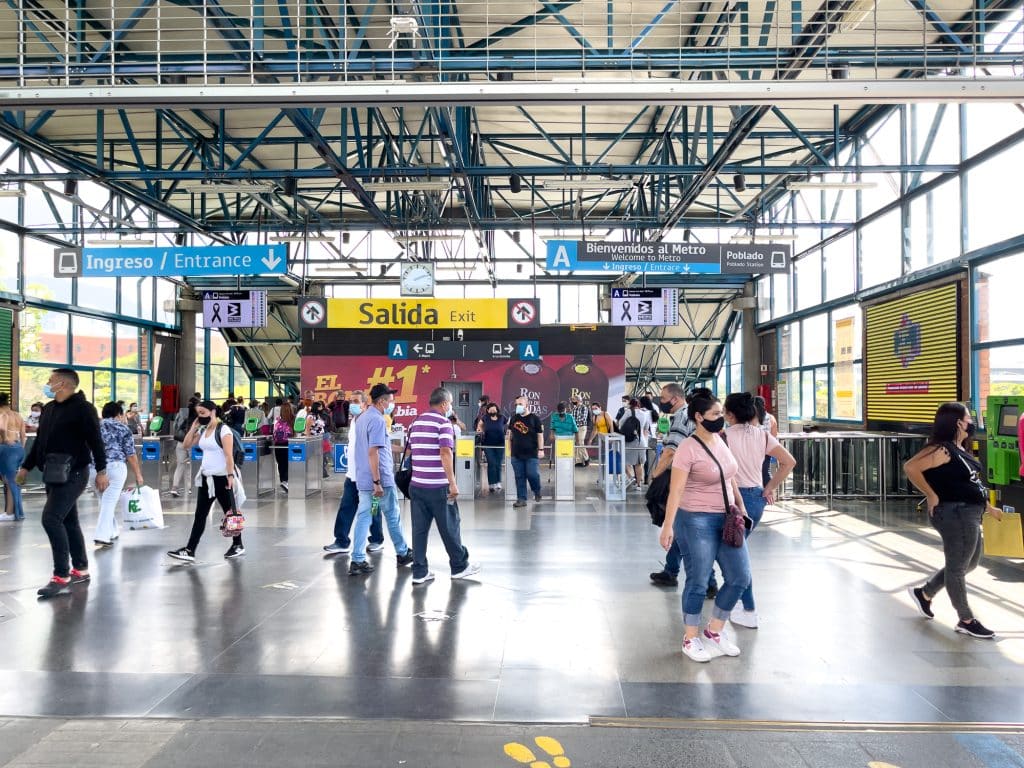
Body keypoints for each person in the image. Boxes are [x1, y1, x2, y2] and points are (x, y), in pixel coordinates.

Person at [659, 392, 751, 663]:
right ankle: (690, 637)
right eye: (714, 415)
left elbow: (729, 477)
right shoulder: (688, 447)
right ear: (698, 417)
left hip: (726, 518)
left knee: (739, 577)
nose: (720, 418)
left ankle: (714, 631)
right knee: (698, 580)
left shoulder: (721, 440)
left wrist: (741, 506)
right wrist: (667, 527)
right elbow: (675, 491)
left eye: (721, 413)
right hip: (694, 519)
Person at [904, 402, 1003, 639]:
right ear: (958, 422)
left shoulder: (959, 449)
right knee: (958, 568)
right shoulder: (941, 450)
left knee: (969, 564)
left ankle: (924, 594)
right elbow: (911, 467)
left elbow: (968, 483)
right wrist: (931, 494)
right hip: (954, 514)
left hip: (970, 512)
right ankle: (966, 619)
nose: (972, 422)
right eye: (969, 418)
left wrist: (987, 506)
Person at [17, 369, 109, 598]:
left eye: (50, 381)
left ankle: (61, 574)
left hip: (75, 473)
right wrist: (26, 466)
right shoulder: (48, 409)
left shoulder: (83, 409)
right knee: (69, 520)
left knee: (51, 518)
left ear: (63, 384)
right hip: (52, 472)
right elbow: (40, 442)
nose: (47, 384)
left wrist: (101, 471)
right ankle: (81, 567)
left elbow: (95, 441)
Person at [722, 392, 796, 628]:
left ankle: (747, 607)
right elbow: (789, 462)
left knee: (736, 556)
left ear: (730, 414)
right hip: (755, 499)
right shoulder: (763, 436)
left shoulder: (722, 437)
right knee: (736, 551)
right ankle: (739, 602)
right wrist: (770, 486)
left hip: (732, 499)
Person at [649, 385, 718, 598]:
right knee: (683, 530)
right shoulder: (699, 421)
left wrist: (655, 475)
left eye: (664, 398)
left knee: (687, 531)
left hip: (685, 481)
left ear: (677, 398)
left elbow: (670, 451)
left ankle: (709, 581)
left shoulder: (682, 418)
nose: (661, 401)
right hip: (699, 479)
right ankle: (671, 570)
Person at [407, 387, 481, 585]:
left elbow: (411, 450)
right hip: (438, 486)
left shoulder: (416, 421)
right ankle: (459, 566)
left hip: (417, 484)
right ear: (444, 404)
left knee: (419, 530)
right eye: (450, 403)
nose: (451, 407)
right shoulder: (443, 423)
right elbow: (445, 453)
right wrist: (453, 483)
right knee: (450, 527)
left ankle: (419, 571)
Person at [348, 384, 414, 576]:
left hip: (364, 478)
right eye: (390, 400)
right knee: (392, 515)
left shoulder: (362, 418)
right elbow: (373, 452)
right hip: (380, 481)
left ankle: (358, 559)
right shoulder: (377, 420)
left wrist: (403, 450)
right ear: (382, 401)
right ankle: (402, 552)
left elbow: (380, 445)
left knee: (364, 516)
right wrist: (377, 482)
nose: (392, 403)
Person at [167, 401, 244, 562]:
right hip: (206, 478)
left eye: (203, 413)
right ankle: (190, 550)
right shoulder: (203, 429)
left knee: (230, 513)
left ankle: (238, 544)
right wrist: (194, 426)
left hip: (222, 478)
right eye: (198, 413)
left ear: (213, 412)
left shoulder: (224, 430)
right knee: (200, 515)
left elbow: (229, 456)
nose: (200, 416)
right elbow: (187, 444)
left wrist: (230, 477)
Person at [323, 390, 384, 555]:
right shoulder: (354, 422)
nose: (352, 404)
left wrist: (376, 478)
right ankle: (341, 541)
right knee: (346, 508)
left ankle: (377, 539)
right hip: (352, 475)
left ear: (365, 404)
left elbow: (374, 450)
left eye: (356, 401)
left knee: (373, 509)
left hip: (367, 476)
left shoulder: (370, 421)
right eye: (351, 401)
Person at [93, 402, 145, 547]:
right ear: (119, 415)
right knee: (108, 502)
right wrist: (138, 474)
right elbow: (130, 454)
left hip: (94, 469)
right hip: (115, 467)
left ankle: (113, 531)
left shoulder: (94, 426)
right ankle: (102, 536)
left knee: (104, 501)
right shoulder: (123, 428)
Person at [508, 395, 544, 508]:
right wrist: (510, 450)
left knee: (532, 474)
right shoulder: (513, 418)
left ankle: (536, 490)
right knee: (519, 477)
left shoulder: (535, 419)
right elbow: (510, 435)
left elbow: (540, 435)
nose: (517, 406)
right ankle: (521, 499)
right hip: (516, 453)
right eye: (516, 404)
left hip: (531, 453)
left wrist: (541, 449)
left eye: (520, 404)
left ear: (527, 405)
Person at [0, 394, 27, 522]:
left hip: (6, 448)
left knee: (9, 481)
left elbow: (1, 427)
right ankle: (15, 512)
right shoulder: (17, 415)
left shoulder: (2, 413)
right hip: (18, 448)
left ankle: (10, 512)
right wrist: (21, 446)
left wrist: (5, 439)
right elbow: (23, 434)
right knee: (13, 481)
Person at [618, 397, 650, 491]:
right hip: (641, 441)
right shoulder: (645, 414)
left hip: (629, 441)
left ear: (630, 404)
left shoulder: (628, 412)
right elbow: (646, 429)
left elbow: (621, 422)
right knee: (638, 464)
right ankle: (639, 485)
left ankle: (631, 477)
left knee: (625, 462)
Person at [170, 398, 198, 497]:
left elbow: (175, 425)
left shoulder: (181, 412)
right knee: (192, 465)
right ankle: (190, 488)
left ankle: (174, 488)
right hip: (192, 442)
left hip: (181, 441)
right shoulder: (198, 414)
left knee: (180, 464)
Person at [477, 403, 507, 494]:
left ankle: (498, 482)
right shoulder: (485, 418)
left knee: (498, 464)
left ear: (497, 410)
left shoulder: (502, 418)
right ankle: (491, 484)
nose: (492, 411)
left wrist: (508, 433)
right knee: (491, 463)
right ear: (488, 410)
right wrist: (480, 430)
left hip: (500, 444)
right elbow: (479, 426)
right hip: (488, 445)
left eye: (494, 409)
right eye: (490, 410)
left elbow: (508, 425)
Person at [753, 395, 779, 486]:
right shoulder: (771, 418)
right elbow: (774, 435)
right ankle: (769, 492)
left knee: (754, 472)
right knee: (765, 471)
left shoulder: (751, 418)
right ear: (764, 405)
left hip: (753, 449)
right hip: (766, 449)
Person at [273, 401, 295, 491]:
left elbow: (273, 431)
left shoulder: (277, 419)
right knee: (288, 463)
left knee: (281, 463)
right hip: (288, 443)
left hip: (278, 444)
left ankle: (283, 481)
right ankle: (286, 481)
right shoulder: (293, 419)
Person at [548, 402, 578, 466]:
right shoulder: (554, 416)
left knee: (567, 456)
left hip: (568, 439)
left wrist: (576, 440)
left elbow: (575, 430)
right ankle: (558, 465)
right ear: (557, 410)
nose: (561, 412)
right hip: (558, 438)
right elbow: (552, 427)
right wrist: (551, 435)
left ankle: (568, 466)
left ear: (565, 410)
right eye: (560, 411)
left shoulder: (570, 417)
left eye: (562, 410)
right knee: (558, 455)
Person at [569, 395, 591, 467]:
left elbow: (582, 418)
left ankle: (586, 458)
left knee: (580, 442)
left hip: (581, 427)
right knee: (576, 443)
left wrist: (573, 421)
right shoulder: (574, 409)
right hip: (575, 428)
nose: (572, 401)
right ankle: (579, 461)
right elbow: (571, 417)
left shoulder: (584, 408)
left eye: (573, 400)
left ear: (578, 400)